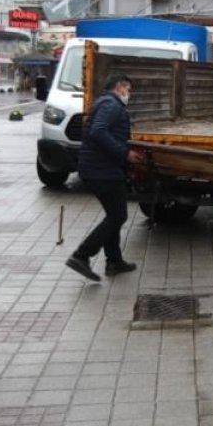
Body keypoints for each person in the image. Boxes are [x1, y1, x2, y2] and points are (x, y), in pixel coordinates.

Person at [65, 72, 143, 281]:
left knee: (113, 214)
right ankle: (82, 255)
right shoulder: (111, 105)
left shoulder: (105, 103)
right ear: (119, 87)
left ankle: (114, 261)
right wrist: (125, 153)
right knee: (118, 216)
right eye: (128, 89)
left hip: (98, 168)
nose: (129, 94)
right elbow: (98, 132)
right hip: (102, 170)